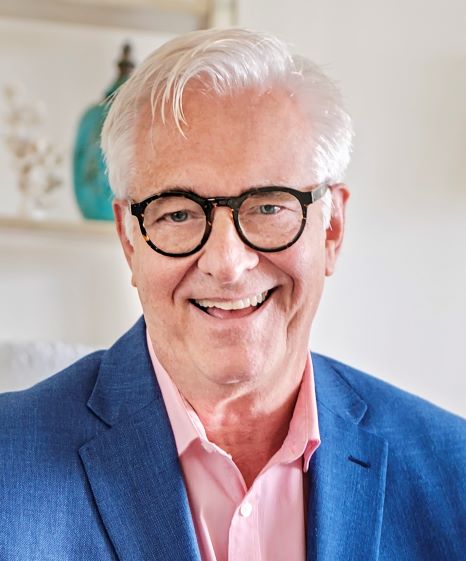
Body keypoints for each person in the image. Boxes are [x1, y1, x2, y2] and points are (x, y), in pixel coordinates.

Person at [1, 28, 464, 561]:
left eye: (268, 206)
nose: (226, 263)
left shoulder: (453, 474)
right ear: (129, 240)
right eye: (178, 213)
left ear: (332, 228)